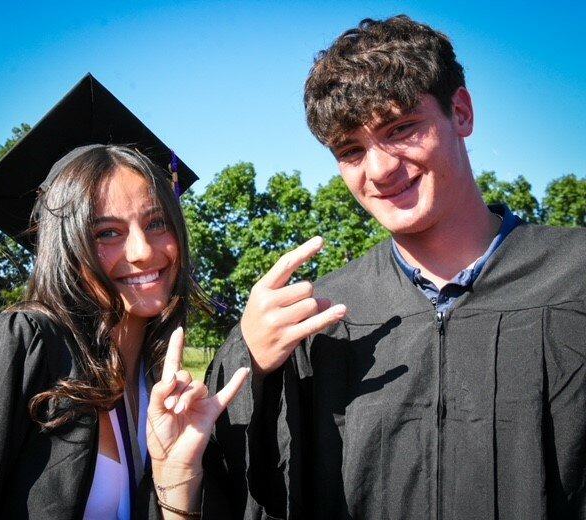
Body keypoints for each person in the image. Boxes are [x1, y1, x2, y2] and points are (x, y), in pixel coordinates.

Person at [202, 15, 586, 519]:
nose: (379, 170)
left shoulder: (575, 279)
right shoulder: (323, 320)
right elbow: (252, 488)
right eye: (351, 150)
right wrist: (248, 357)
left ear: (462, 112)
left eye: (402, 129)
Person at [0, 74, 249, 519]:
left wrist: (175, 480)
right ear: (64, 246)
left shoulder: (156, 383)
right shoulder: (21, 345)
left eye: (157, 223)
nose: (144, 252)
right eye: (107, 232)